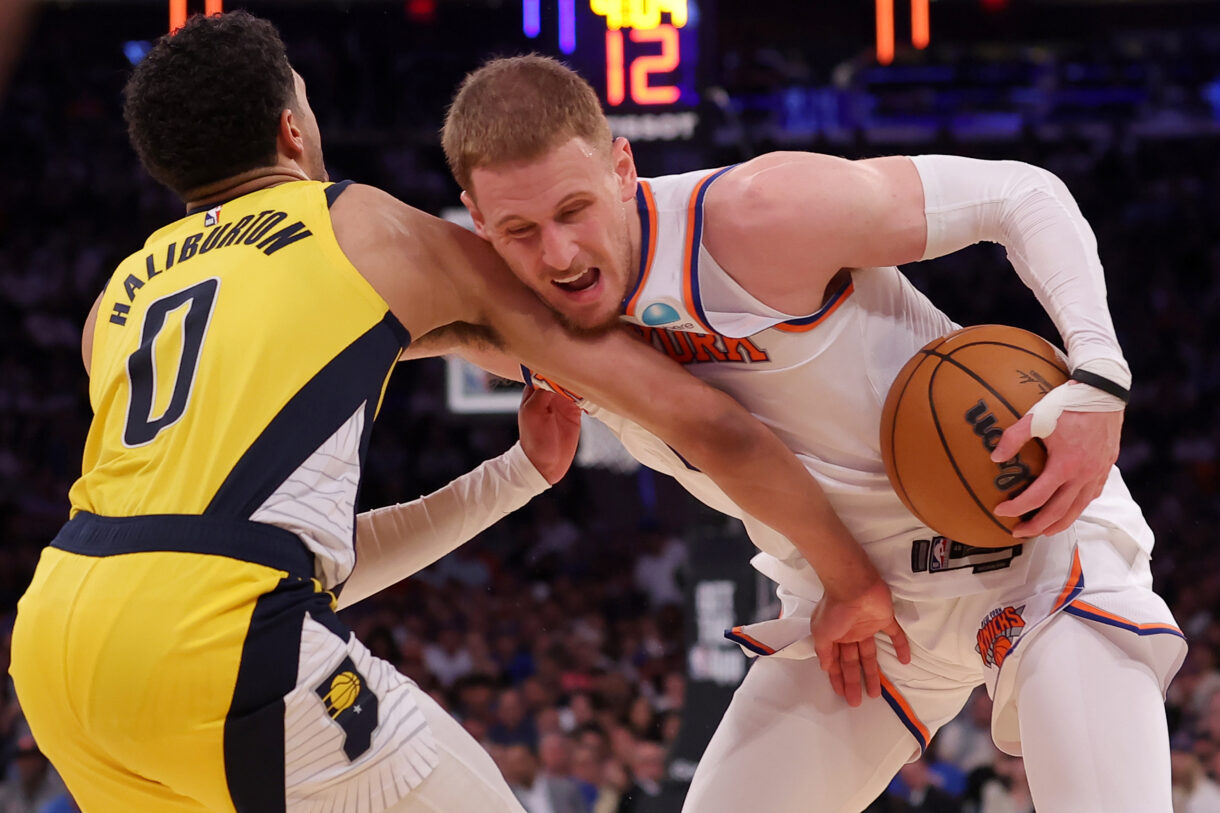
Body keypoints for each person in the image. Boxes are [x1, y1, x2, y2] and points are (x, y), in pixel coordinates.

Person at [8, 13, 908, 813]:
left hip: (58, 647)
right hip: (223, 644)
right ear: (293, 126)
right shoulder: (361, 225)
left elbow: (268, 558)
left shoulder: (114, 304)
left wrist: (514, 476)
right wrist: (850, 575)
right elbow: (702, 422)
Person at [436, 54, 1188, 812]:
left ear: (623, 167)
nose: (558, 255)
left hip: (1028, 537)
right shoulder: (521, 321)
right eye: (520, 230)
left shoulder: (757, 216)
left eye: (574, 211)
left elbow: (1020, 193)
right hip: (861, 611)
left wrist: (1099, 378)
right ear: (474, 217)